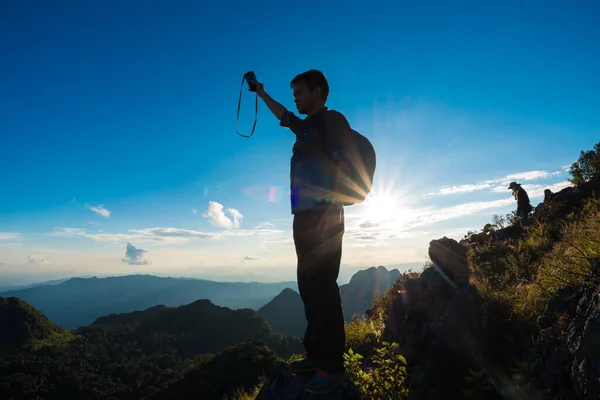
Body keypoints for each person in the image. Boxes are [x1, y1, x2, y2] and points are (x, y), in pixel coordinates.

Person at [253, 70, 350, 395]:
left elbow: (343, 166)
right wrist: (261, 92)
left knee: (323, 286)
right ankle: (315, 354)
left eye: (300, 91)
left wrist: (330, 209)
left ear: (318, 91)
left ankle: (333, 366)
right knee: (308, 286)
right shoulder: (307, 127)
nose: (295, 96)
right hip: (304, 216)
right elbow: (284, 115)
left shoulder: (331, 121)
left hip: (324, 216)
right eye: (293, 91)